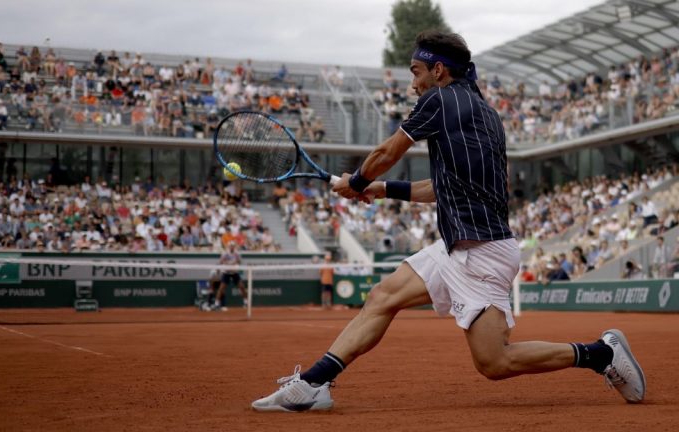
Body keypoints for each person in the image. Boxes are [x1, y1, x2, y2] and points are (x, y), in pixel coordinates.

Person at [252, 31, 645, 412]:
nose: (413, 84)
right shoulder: (485, 113)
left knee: (495, 362)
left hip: (481, 253)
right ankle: (313, 385)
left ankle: (600, 354)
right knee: (383, 296)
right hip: (458, 247)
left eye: (416, 72)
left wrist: (356, 182)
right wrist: (380, 189)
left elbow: (387, 151)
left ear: (438, 70)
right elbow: (442, 187)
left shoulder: (440, 99)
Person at [214, 241, 247, 310]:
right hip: (226, 273)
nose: (232, 247)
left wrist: (236, 262)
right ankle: (216, 304)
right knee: (221, 288)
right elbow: (220, 262)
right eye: (230, 246)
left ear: (234, 247)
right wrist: (219, 269)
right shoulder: (225, 254)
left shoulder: (237, 254)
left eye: (233, 246)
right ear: (228, 247)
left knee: (242, 287)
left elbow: (240, 262)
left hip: (234, 273)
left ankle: (246, 302)